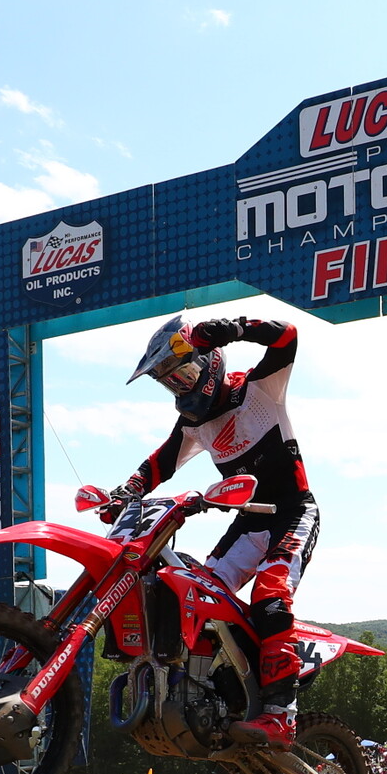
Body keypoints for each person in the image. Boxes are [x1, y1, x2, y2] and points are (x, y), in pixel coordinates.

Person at [107, 312, 317, 747]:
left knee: (270, 594)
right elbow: (161, 462)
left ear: (207, 359)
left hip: (292, 511)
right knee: (199, 595)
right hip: (249, 521)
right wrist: (126, 491)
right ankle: (216, 695)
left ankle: (282, 716)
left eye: (183, 374)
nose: (180, 386)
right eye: (171, 382)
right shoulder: (195, 423)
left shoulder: (260, 388)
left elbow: (287, 337)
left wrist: (235, 328)